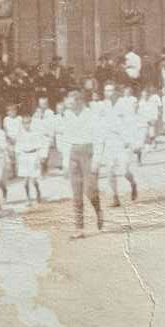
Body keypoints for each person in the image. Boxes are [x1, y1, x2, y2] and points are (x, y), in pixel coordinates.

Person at [62, 89, 104, 239]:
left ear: (79, 101)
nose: (68, 105)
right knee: (76, 193)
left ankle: (98, 210)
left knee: (90, 190)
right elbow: (65, 139)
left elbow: (99, 139)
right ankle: (79, 228)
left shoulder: (91, 115)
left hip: (89, 152)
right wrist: (64, 164)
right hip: (73, 152)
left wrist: (97, 161)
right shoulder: (67, 115)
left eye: (71, 102)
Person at [14, 114, 47, 205]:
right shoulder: (20, 134)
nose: (26, 125)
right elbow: (17, 149)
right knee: (25, 182)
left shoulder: (35, 133)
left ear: (31, 123)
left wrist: (40, 158)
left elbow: (40, 146)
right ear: (22, 124)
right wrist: (17, 161)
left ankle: (38, 192)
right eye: (24, 123)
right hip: (24, 157)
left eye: (28, 123)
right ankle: (28, 199)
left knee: (34, 180)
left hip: (33, 156)